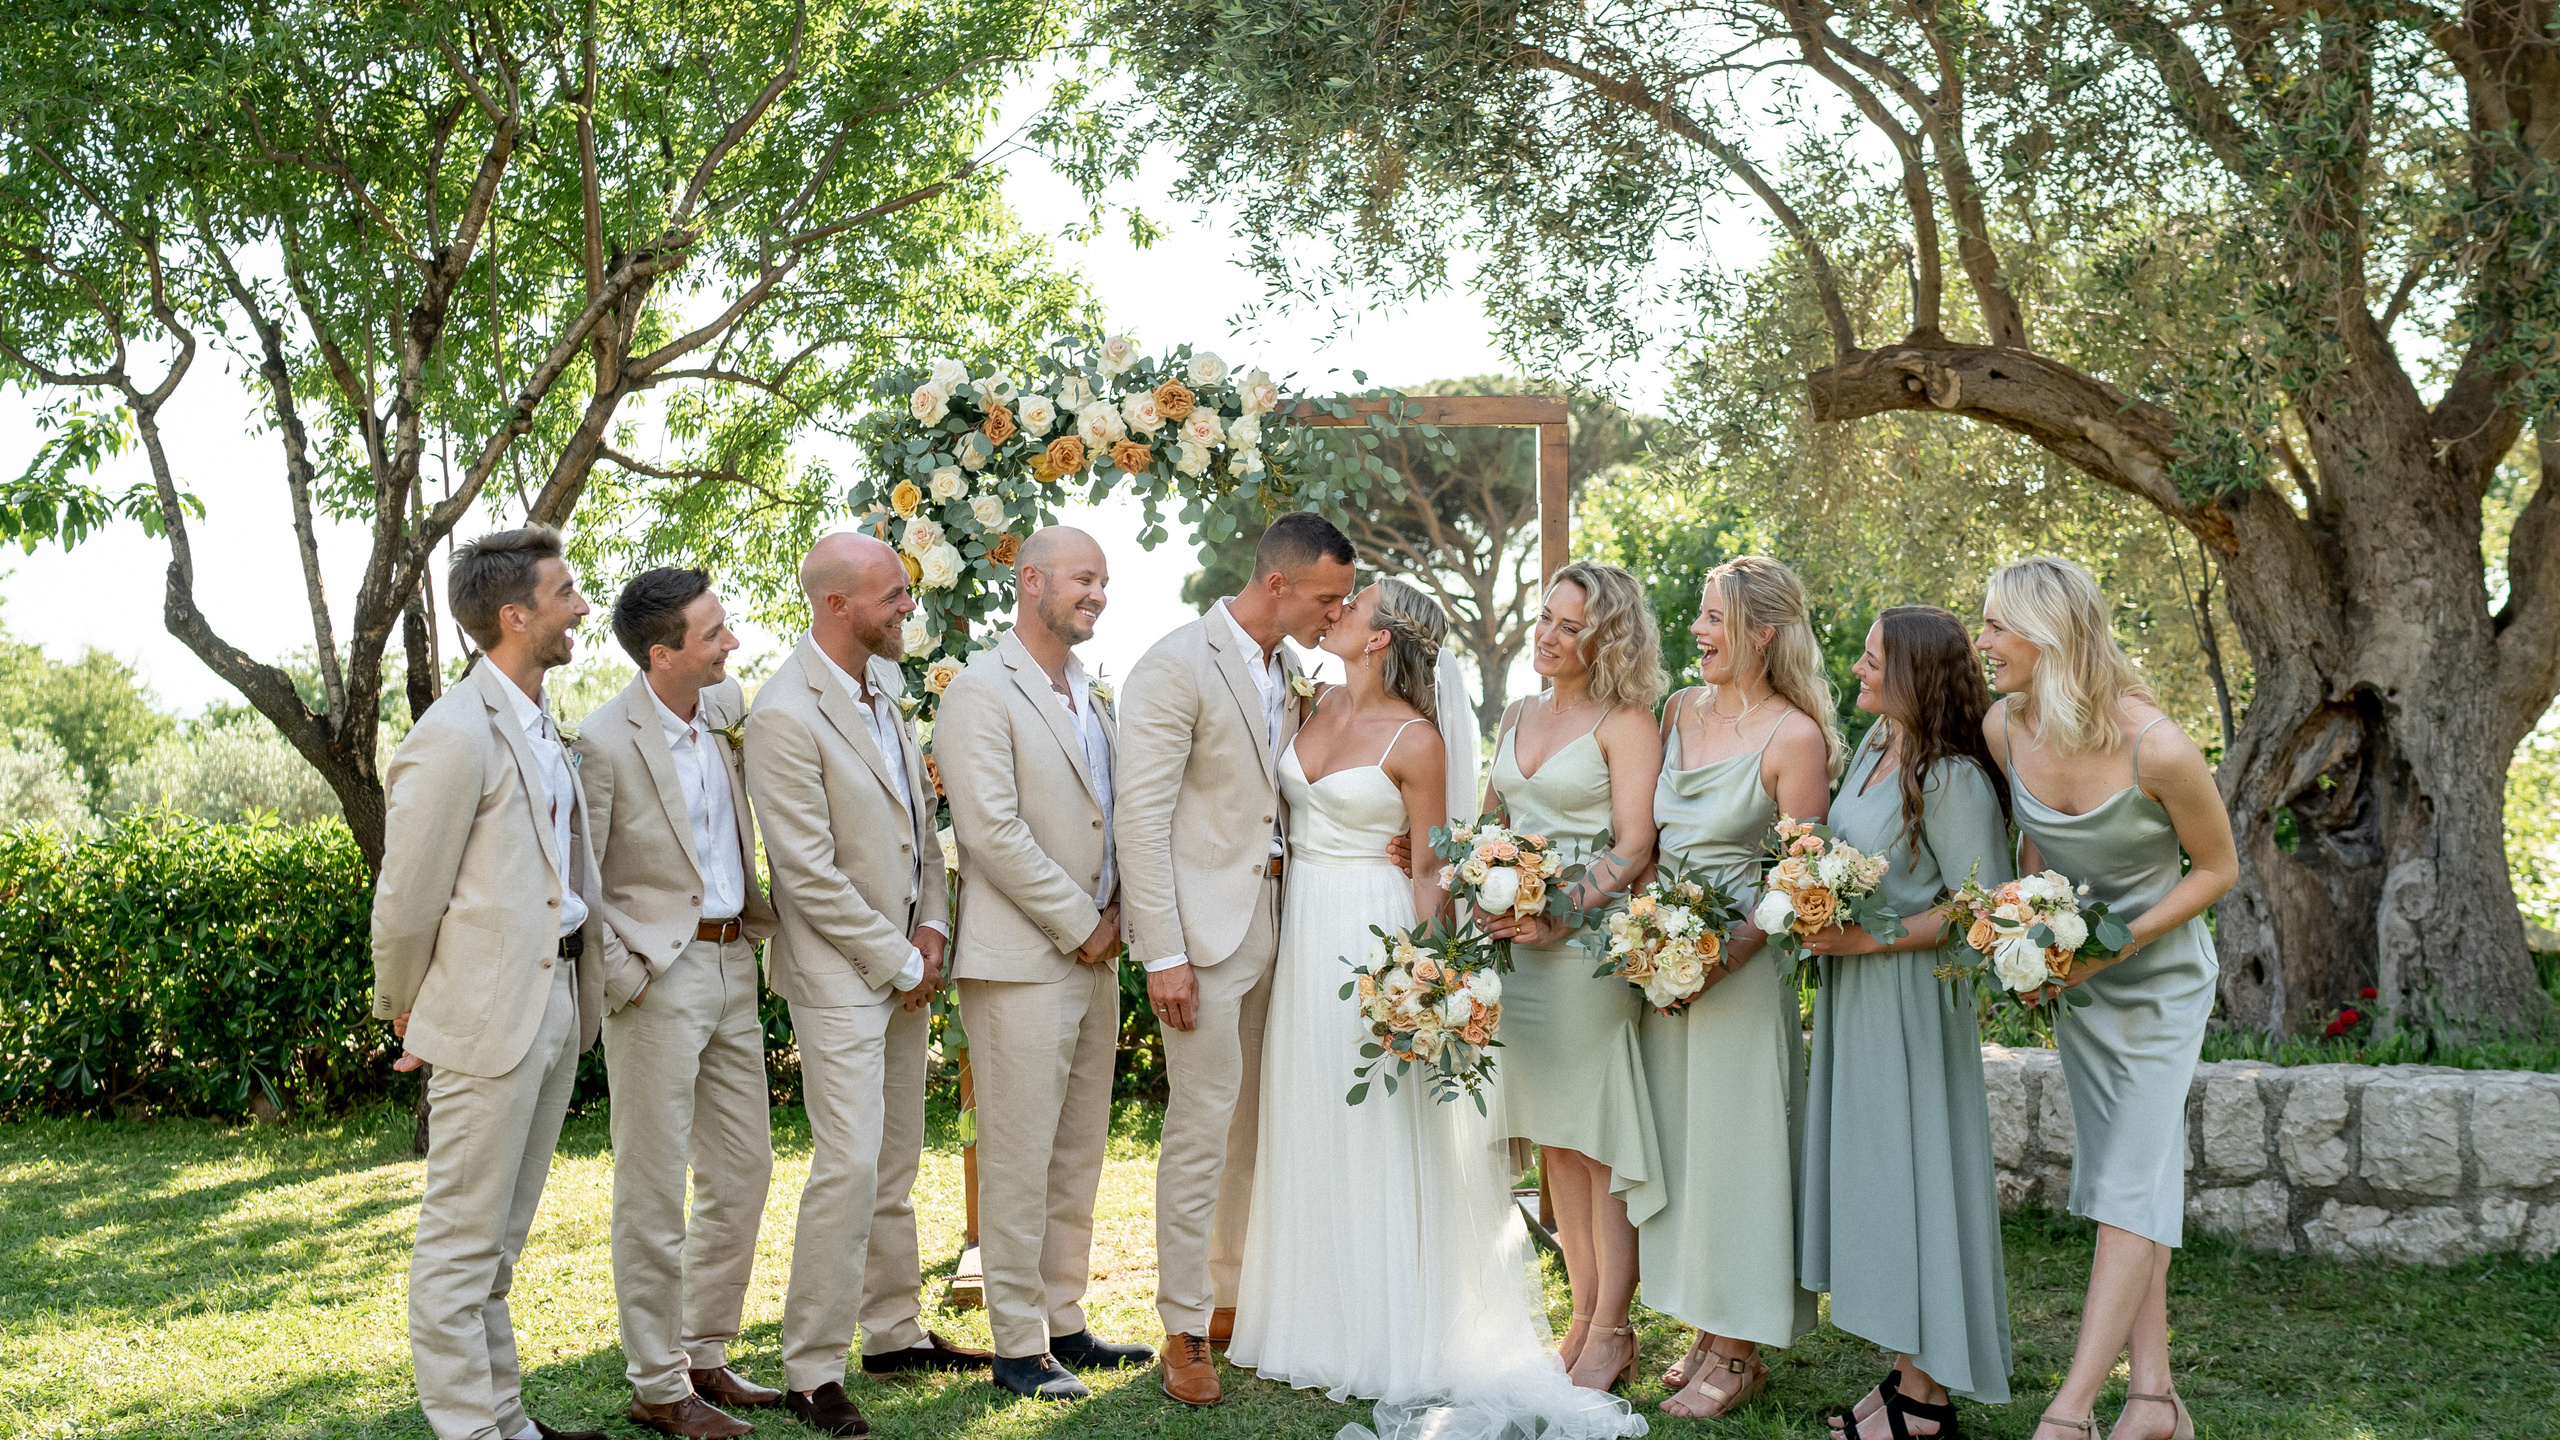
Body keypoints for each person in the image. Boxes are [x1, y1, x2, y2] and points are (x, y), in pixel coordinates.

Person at [1229, 576, 1644, 1440]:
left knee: (1385, 1125)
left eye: (1355, 606)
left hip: (1374, 932)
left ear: (1383, 639)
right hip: (1303, 929)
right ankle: (1309, 1313)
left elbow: (1427, 868)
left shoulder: (1417, 739)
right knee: (1307, 1114)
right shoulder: (1304, 707)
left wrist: (1431, 975)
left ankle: (1396, 1327)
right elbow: (1470, 840)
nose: (1336, 609)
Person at [1979, 557, 2234, 1440]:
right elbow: (2039, 851)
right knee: (2134, 1185)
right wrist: (2033, 937)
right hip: (2079, 989)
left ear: (2050, 636)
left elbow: (2219, 870)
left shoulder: (2157, 746)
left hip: (2160, 988)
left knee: (2127, 1187)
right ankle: (2155, 1399)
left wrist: (2114, 946)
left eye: (1998, 626)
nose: (1984, 642)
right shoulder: (2004, 729)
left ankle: (2069, 1412)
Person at [743, 533, 991, 1438]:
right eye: (892, 597)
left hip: (903, 960)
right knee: (847, 1164)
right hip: (840, 974)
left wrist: (932, 924)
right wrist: (900, 959)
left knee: (893, 1161)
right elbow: (804, 874)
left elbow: (921, 830)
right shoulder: (782, 713)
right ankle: (812, 1369)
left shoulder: (884, 690)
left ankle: (890, 1333)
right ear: (836, 604)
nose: (906, 610)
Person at [371, 526, 613, 1440]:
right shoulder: (452, 735)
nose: (581, 607)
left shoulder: (539, 719)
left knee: (501, 1243)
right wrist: (408, 1010)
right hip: (480, 1015)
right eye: (566, 594)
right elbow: (405, 900)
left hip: (554, 1000)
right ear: (515, 616)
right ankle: (470, 1430)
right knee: (460, 1243)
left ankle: (507, 1420)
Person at [1115, 511, 1355, 1406]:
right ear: (1279, 583)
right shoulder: (1174, 664)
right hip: (1202, 942)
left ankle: (1234, 1302)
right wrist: (1164, 953)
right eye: (1328, 597)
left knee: (1256, 1127)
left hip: (1283, 928)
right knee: (1200, 1126)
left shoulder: (1291, 669)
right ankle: (1181, 1329)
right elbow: (1140, 819)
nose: (1337, 615)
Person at [934, 528, 1156, 1401]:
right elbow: (989, 831)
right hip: (1025, 960)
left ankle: (1065, 1321)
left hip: (1096, 953)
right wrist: (1079, 924)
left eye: (1104, 580)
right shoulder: (981, 692)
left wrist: (1119, 920)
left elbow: (1117, 818)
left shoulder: (1091, 698)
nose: (1098, 593)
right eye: (1082, 578)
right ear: (1029, 582)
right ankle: (1018, 1348)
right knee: (1020, 1158)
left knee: (1076, 1153)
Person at [572, 568, 781, 1439]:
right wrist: (626, 975)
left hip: (738, 966)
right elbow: (575, 875)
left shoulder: (724, 716)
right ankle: (657, 1385)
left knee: (744, 1170)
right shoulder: (601, 741)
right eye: (712, 633)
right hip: (660, 979)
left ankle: (703, 1353)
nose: (730, 642)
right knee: (653, 1189)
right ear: (662, 655)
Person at [1801, 607, 2016, 1437]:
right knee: (1883, 1185)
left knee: (1920, 1178)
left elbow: (1979, 909)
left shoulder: (1954, 777)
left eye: (1870, 658)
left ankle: (1925, 1402)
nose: (1856, 668)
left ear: (1914, 673)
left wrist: (1860, 935)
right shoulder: (1869, 751)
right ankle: (1904, 1376)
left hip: (1913, 1003)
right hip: (1857, 998)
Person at [1636, 556, 1831, 1417]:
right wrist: (1652, 948)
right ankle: (1709, 1328)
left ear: (1763, 632)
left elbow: (1798, 881)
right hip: (1662, 968)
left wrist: (1717, 959)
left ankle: (1743, 1349)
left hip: (1739, 976)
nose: (1699, 631)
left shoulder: (1795, 737)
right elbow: (1641, 841)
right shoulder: (1677, 710)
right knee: (1686, 1152)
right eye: (1703, 616)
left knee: (1740, 1158)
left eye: (1716, 619)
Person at [1479, 561, 1664, 1392]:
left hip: (1585, 953)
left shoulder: (1626, 722)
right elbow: (1492, 821)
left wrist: (1564, 909)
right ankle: (1584, 1316)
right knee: (1555, 1141)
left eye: (1568, 625)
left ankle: (1614, 1328)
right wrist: (1463, 873)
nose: (1546, 635)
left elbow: (1634, 845)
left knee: (1596, 1145)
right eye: (1546, 619)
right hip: (1517, 951)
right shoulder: (1518, 711)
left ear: (1607, 637)